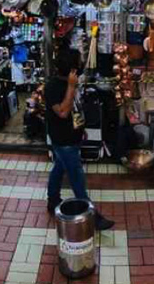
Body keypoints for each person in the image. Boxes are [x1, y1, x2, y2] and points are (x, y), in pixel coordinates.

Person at [44, 48, 114, 230]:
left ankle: (52, 200)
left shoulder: (67, 82)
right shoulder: (53, 86)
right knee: (77, 179)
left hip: (72, 136)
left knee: (59, 168)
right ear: (72, 69)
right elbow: (63, 112)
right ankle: (93, 217)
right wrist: (71, 87)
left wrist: (80, 128)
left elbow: (74, 110)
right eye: (79, 62)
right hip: (63, 139)